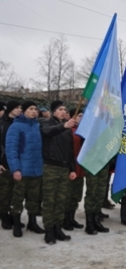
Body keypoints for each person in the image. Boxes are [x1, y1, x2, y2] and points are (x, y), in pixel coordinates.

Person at [40, 100, 77, 245]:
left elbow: (70, 151)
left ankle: (57, 227)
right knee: (50, 200)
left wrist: (72, 169)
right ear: (54, 111)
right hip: (51, 167)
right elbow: (47, 132)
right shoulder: (46, 123)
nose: (63, 111)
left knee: (61, 200)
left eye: (64, 109)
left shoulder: (67, 129)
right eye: (60, 109)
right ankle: (49, 230)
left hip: (64, 168)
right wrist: (64, 125)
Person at [6, 101, 44, 237]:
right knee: (17, 199)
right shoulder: (15, 127)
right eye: (31, 109)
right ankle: (16, 224)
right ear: (24, 111)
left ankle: (32, 223)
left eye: (36, 109)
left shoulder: (37, 126)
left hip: (36, 170)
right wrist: (15, 169)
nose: (34, 111)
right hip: (22, 170)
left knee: (34, 198)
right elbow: (11, 150)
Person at [0, 101, 22, 230]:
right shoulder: (2, 124)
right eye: (17, 107)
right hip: (4, 163)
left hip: (18, 163)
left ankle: (14, 216)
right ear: (10, 109)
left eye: (20, 107)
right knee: (5, 192)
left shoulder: (19, 123)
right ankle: (4, 217)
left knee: (16, 193)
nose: (20, 110)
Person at [63, 109, 85, 231]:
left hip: (80, 169)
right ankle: (65, 219)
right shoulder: (69, 131)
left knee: (76, 195)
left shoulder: (83, 131)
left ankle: (71, 217)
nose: (81, 118)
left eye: (82, 116)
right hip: (72, 168)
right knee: (68, 195)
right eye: (79, 116)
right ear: (72, 117)